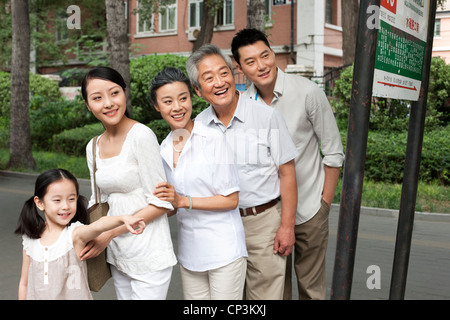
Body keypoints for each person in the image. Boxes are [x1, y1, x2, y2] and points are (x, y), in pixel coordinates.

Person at [231, 28, 345, 300]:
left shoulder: (307, 92)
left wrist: (324, 205)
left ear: (272, 51)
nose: (261, 66)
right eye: (250, 61)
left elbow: (333, 153)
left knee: (311, 291)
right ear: (239, 67)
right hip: (267, 216)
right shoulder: (242, 105)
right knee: (273, 292)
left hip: (308, 210)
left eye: (265, 55)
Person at [186, 44, 298, 300]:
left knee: (264, 298)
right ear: (198, 90)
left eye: (223, 72)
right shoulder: (198, 127)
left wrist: (287, 226)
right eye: (208, 77)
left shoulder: (266, 117)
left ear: (233, 74)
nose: (219, 82)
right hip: (219, 226)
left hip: (263, 223)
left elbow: (287, 173)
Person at [79, 66, 177, 300]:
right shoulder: (93, 146)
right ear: (87, 104)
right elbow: (97, 200)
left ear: (124, 92)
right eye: (97, 98)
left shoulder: (141, 136)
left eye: (114, 93)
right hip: (116, 254)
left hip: (149, 251)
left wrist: (109, 233)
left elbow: (161, 203)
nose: (108, 103)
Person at [150, 67, 247, 300]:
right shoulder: (162, 149)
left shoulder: (213, 138)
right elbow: (171, 204)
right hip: (190, 253)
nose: (177, 107)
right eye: (168, 101)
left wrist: (183, 200)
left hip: (224, 250)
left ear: (191, 99)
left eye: (183, 98)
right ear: (157, 106)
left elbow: (231, 200)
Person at [14, 168, 145, 300]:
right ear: (40, 203)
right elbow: (24, 283)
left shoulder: (74, 234)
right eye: (57, 200)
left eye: (71, 199)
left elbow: (99, 225)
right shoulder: (30, 239)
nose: (65, 206)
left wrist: (122, 219)